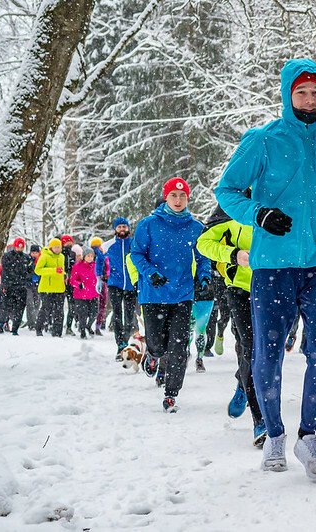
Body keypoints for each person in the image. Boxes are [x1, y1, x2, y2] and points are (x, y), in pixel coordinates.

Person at [215, 58, 316, 479]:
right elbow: (226, 192)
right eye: (301, 93)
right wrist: (258, 214)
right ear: (287, 94)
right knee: (268, 352)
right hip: (273, 266)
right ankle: (274, 433)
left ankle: (309, 436)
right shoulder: (262, 140)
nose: (310, 101)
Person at [132, 177, 210, 413]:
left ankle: (171, 394)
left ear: (188, 199)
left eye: (183, 196)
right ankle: (153, 356)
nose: (178, 200)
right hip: (153, 293)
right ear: (166, 197)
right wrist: (150, 273)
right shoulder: (148, 224)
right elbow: (136, 254)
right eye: (174, 196)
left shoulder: (196, 228)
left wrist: (204, 277)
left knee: (179, 347)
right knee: (156, 343)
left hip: (183, 294)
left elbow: (203, 257)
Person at [197, 200, 267, 447]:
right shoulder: (232, 204)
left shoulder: (281, 194)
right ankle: (260, 419)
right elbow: (203, 243)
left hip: (276, 286)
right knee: (251, 348)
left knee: (268, 352)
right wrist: (233, 255)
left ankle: (242, 380)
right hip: (240, 289)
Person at [104, 217, 137, 359]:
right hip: (114, 284)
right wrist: (100, 277)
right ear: (115, 229)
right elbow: (99, 259)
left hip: (131, 284)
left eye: (124, 226)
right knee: (117, 314)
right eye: (119, 227)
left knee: (130, 315)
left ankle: (126, 340)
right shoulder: (108, 245)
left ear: (128, 228)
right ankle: (120, 346)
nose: (122, 229)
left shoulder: (134, 243)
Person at [0, 238, 34, 335]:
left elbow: (31, 271)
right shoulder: (7, 257)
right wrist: (5, 285)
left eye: (21, 247)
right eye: (18, 246)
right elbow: (5, 272)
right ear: (14, 246)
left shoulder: (27, 258)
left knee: (20, 308)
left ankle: (15, 329)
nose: (19, 249)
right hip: (10, 286)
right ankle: (1, 324)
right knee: (6, 307)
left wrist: (25, 279)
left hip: (22, 287)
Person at [34, 238, 67, 337]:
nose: (57, 249)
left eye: (59, 247)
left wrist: (64, 274)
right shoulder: (45, 256)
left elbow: (62, 270)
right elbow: (38, 270)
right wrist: (53, 270)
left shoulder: (62, 256)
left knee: (59, 311)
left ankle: (57, 332)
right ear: (51, 247)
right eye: (55, 247)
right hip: (46, 288)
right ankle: (39, 328)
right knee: (45, 309)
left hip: (59, 288)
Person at [69, 247, 100, 338]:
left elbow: (99, 277)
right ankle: (82, 330)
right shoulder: (77, 266)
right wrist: (79, 284)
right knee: (82, 314)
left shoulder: (96, 266)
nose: (90, 258)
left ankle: (88, 326)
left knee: (94, 313)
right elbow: (72, 280)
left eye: (92, 256)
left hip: (94, 293)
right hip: (81, 294)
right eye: (88, 256)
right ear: (84, 257)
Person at [90, 237, 109, 336]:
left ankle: (98, 326)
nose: (96, 249)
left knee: (102, 305)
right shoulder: (90, 257)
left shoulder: (104, 256)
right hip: (92, 283)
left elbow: (107, 269)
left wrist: (105, 276)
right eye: (94, 247)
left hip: (102, 282)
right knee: (95, 306)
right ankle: (90, 325)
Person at [60, 235, 77, 335]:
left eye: (71, 243)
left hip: (71, 283)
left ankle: (69, 326)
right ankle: (55, 325)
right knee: (58, 306)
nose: (70, 245)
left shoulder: (73, 254)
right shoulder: (60, 253)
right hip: (61, 282)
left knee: (72, 307)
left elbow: (74, 267)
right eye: (67, 243)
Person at [25, 244, 42, 330]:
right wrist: (31, 276)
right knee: (30, 304)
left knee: (37, 304)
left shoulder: (41, 259)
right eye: (33, 252)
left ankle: (36, 321)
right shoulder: (27, 260)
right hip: (29, 285)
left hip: (38, 285)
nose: (34, 254)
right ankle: (31, 323)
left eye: (36, 252)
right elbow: (24, 272)